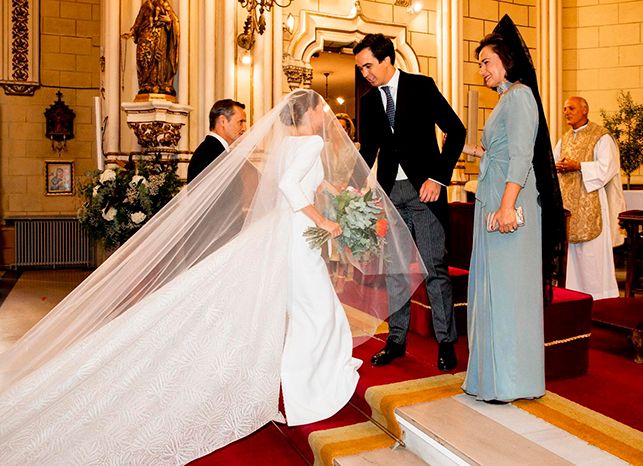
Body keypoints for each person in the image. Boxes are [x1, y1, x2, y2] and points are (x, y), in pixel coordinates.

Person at [0, 90, 425, 464]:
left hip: (289, 234)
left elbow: (296, 183)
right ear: (312, 114)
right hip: (300, 233)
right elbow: (294, 191)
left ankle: (310, 376)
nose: (325, 119)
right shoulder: (312, 142)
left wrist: (335, 195)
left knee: (309, 307)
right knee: (316, 308)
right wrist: (326, 221)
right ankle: (310, 388)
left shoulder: (290, 145)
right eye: (320, 113)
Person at [461, 15, 565, 403]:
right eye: (480, 64)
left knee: (507, 294)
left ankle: (511, 381)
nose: (482, 70)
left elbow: (522, 156)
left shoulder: (520, 96)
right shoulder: (507, 99)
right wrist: (469, 149)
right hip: (493, 202)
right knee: (492, 291)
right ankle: (492, 379)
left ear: (506, 60)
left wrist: (507, 207)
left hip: (509, 209)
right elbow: (498, 152)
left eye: (486, 62)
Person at [353, 33, 466, 371]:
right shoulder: (370, 101)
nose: (365, 74)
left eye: (368, 66)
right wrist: (354, 190)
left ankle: (446, 342)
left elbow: (456, 131)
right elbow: (368, 152)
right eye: (360, 69)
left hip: (424, 193)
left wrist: (438, 177)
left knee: (435, 270)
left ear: (387, 59)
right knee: (396, 272)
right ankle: (396, 340)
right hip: (389, 195)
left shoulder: (422, 86)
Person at [555, 96, 625, 300]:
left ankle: (601, 298)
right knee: (573, 257)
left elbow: (608, 167)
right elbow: (554, 160)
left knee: (593, 256)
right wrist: (558, 167)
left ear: (585, 110)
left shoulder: (601, 136)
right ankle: (575, 296)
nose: (567, 112)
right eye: (565, 108)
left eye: (571, 108)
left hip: (592, 202)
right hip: (569, 205)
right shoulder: (565, 138)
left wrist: (579, 166)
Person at [123, 0, 180, 96]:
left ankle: (159, 83)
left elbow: (174, 20)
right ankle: (146, 83)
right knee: (144, 60)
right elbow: (138, 22)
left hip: (160, 39)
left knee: (159, 60)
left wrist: (169, 21)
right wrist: (131, 32)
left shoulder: (165, 5)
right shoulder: (146, 6)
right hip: (145, 38)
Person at [187, 99, 247, 182]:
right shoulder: (211, 153)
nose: (244, 128)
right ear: (223, 121)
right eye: (240, 122)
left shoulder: (212, 149)